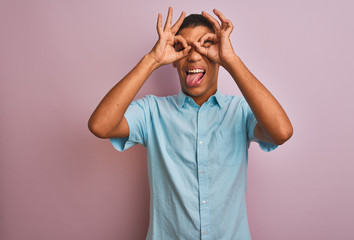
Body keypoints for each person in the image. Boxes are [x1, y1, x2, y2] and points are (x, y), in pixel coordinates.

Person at [88, 6, 293, 240]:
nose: (194, 56)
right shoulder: (152, 111)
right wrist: (153, 59)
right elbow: (100, 126)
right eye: (183, 48)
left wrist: (231, 60)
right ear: (174, 60)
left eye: (204, 45)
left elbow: (282, 132)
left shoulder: (239, 111)